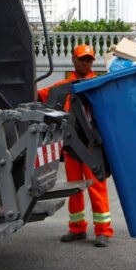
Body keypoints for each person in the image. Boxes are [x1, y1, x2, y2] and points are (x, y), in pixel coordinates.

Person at [38, 44, 114, 248]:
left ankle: (103, 231)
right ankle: (77, 228)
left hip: (92, 147)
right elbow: (39, 95)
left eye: (89, 59)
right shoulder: (63, 86)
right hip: (71, 148)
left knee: (97, 189)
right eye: (82, 58)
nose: (85, 62)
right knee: (74, 189)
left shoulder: (98, 85)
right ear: (73, 60)